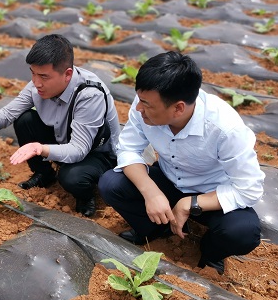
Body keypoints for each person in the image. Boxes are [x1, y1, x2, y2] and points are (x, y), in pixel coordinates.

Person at [98, 51, 264, 274]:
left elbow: (249, 189)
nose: (138, 109)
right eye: (140, 100)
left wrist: (190, 203)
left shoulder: (225, 129)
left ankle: (209, 252)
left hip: (211, 194)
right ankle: (155, 230)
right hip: (168, 180)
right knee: (111, 183)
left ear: (178, 108)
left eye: (147, 105)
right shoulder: (145, 103)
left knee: (243, 232)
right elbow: (128, 149)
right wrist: (152, 193)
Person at [0, 34, 120, 217]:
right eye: (33, 73)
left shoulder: (89, 94)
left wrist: (41, 148)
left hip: (98, 153)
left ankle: (85, 196)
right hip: (65, 138)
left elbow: (79, 150)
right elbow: (7, 114)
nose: (36, 82)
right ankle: (44, 174)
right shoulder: (37, 84)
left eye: (44, 76)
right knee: (25, 120)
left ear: (67, 74)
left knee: (71, 177)